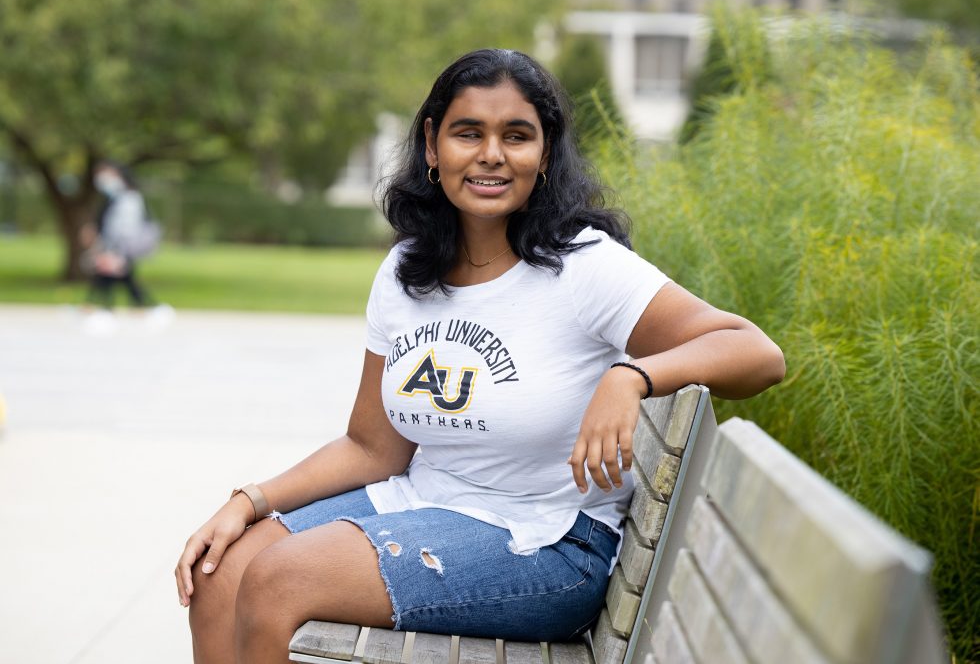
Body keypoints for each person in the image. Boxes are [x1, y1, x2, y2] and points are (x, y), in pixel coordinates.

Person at [175, 49, 785, 663]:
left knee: (282, 576)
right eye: (469, 132)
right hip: (424, 503)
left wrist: (633, 376)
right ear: (432, 147)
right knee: (218, 574)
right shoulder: (407, 272)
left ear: (544, 155)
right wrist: (248, 501)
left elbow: (754, 352)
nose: (492, 153)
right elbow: (372, 449)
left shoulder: (583, 266)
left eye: (516, 136)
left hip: (546, 541)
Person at [80, 161, 169, 331]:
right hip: (115, 246)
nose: (102, 178)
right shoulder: (115, 197)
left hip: (122, 246)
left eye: (106, 173)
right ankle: (104, 308)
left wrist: (114, 250)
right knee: (120, 278)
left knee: (114, 276)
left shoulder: (129, 198)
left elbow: (125, 227)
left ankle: (104, 308)